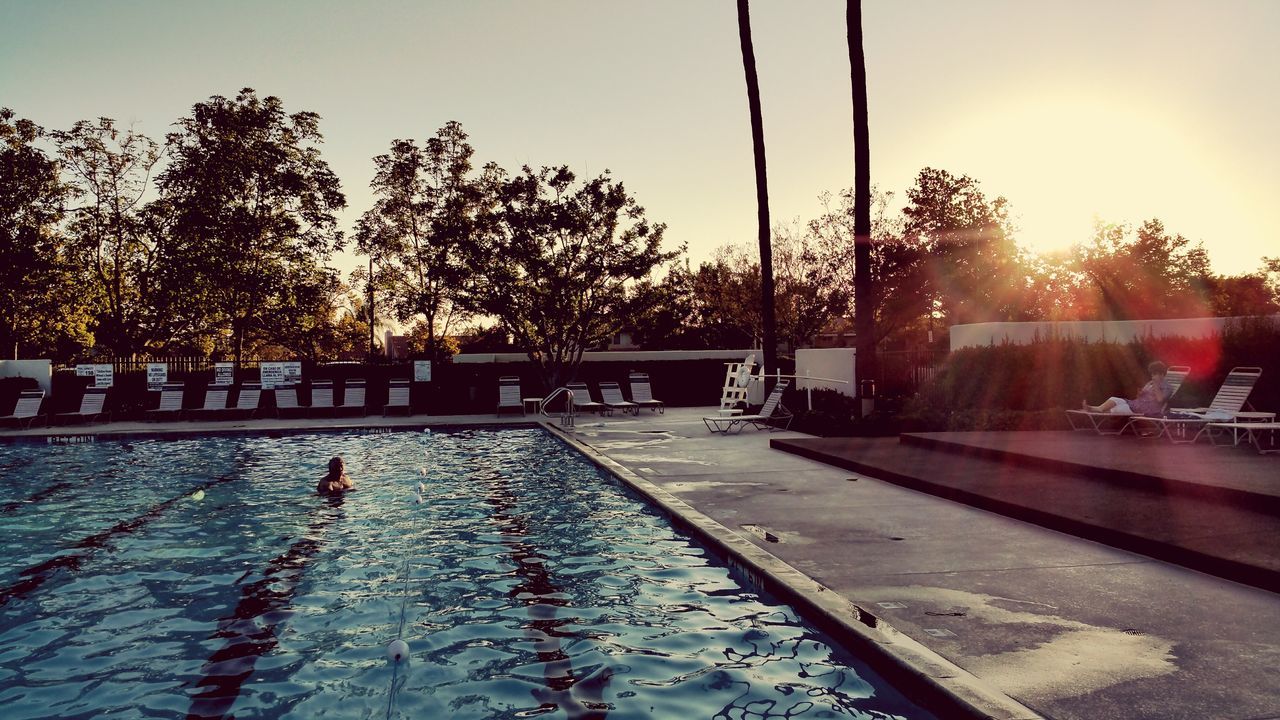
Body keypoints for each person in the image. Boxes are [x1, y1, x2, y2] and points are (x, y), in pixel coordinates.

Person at [1083, 361, 1172, 415]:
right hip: (1135, 404)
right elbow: (1140, 397)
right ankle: (1098, 409)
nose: (1155, 376)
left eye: (1157, 374)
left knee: (1119, 408)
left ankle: (1096, 410)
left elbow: (1160, 400)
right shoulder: (1150, 383)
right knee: (1114, 399)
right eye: (1153, 374)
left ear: (1163, 374)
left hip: (1146, 409)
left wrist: (1156, 385)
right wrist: (1140, 393)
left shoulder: (1167, 387)